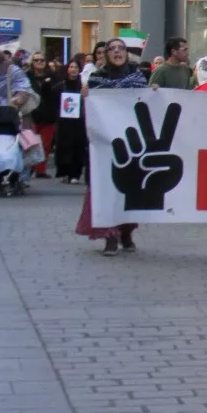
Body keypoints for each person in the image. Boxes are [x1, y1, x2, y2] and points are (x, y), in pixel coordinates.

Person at [75, 39, 147, 255]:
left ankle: (126, 232)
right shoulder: (97, 79)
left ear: (126, 53)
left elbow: (147, 105)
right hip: (106, 143)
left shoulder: (138, 76)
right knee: (106, 187)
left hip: (131, 141)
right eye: (112, 49)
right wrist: (86, 98)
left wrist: (154, 92)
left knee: (128, 187)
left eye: (121, 48)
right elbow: (90, 112)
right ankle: (110, 235)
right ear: (105, 54)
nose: (117, 52)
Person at [53, 59, 87, 184]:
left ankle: (75, 174)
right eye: (71, 67)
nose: (74, 69)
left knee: (78, 146)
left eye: (76, 67)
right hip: (64, 121)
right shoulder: (61, 85)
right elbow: (53, 98)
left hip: (78, 121)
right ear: (67, 69)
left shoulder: (83, 86)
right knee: (63, 146)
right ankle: (64, 171)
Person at [26, 52, 58, 177]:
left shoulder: (52, 76)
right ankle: (29, 168)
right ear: (32, 63)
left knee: (45, 144)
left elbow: (56, 94)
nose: (39, 62)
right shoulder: (27, 77)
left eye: (42, 60)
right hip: (31, 114)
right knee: (30, 143)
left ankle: (40, 170)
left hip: (48, 115)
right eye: (36, 60)